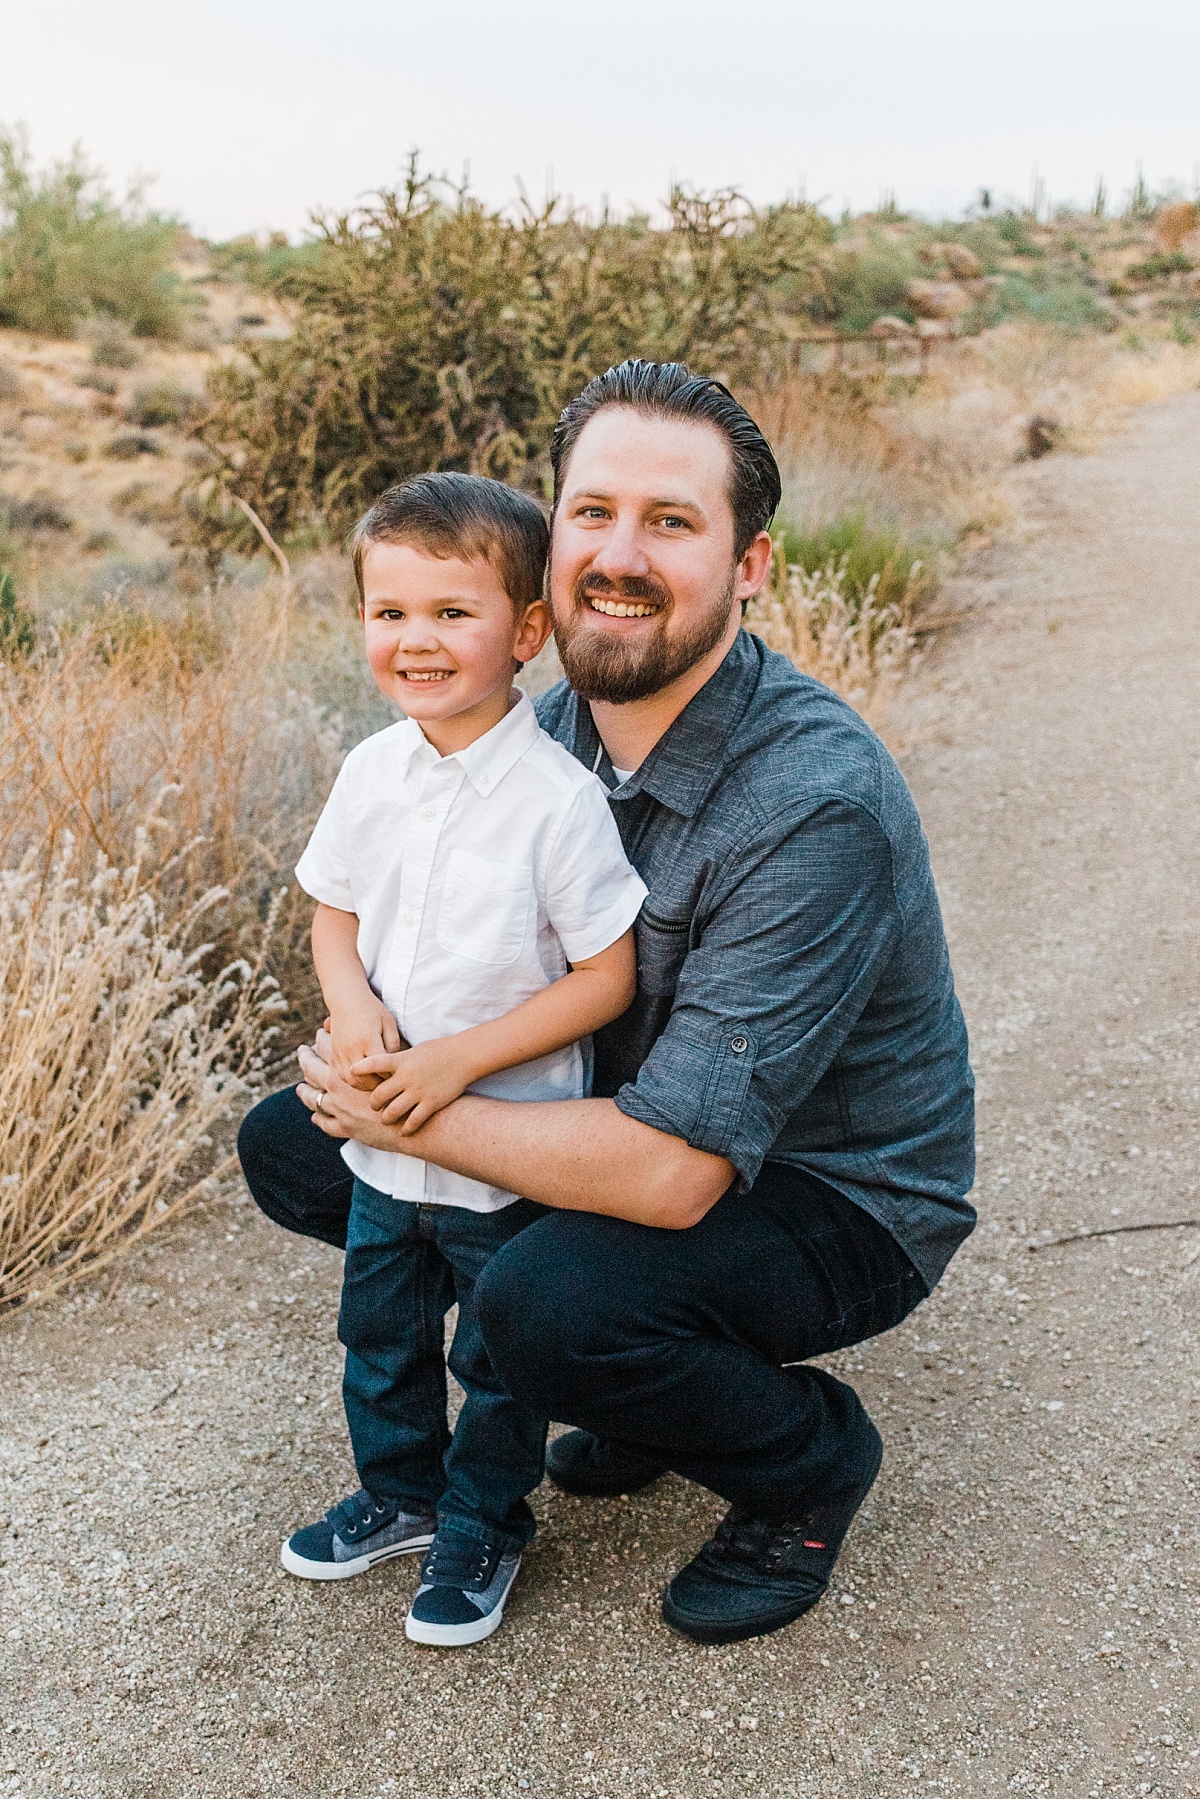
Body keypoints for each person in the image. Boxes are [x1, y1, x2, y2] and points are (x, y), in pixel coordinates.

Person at [240, 359, 975, 1648]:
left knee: (549, 1301)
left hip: (828, 1189)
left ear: (750, 564)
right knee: (297, 1152)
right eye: (593, 512)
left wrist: (397, 1109)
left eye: (672, 522)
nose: (618, 556)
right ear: (550, 535)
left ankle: (803, 1461)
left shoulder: (812, 802)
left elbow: (678, 1176)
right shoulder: (552, 724)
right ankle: (629, 1389)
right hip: (629, 1113)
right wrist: (365, 1047)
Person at [271, 472, 647, 1647]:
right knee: (378, 1333)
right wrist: (352, 1009)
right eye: (390, 614)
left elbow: (606, 975)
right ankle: (401, 1493)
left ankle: (485, 1516)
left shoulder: (558, 801)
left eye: (451, 612)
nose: (416, 641)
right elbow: (332, 911)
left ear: (527, 629)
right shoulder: (371, 772)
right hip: (386, 1148)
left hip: (505, 1154)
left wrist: (458, 1062)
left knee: (494, 1351)